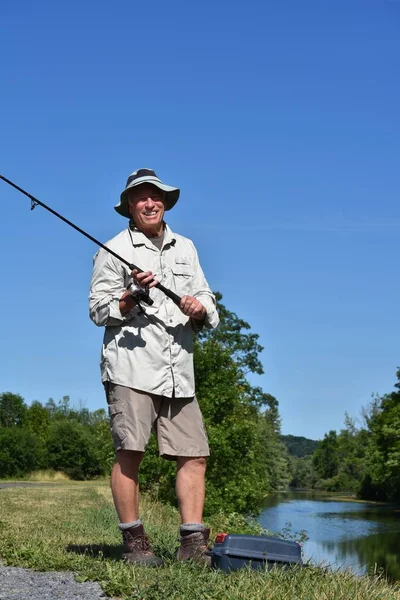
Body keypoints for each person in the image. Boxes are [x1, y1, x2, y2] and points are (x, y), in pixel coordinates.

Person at [89, 168, 219, 567]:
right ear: (129, 206)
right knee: (130, 451)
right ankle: (135, 543)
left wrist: (201, 308)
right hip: (130, 367)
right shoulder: (111, 250)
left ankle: (192, 544)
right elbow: (98, 310)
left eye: (156, 196)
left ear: (165, 202)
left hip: (179, 370)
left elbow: (205, 297)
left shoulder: (187, 248)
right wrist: (131, 295)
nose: (150, 202)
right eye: (141, 197)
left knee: (195, 454)